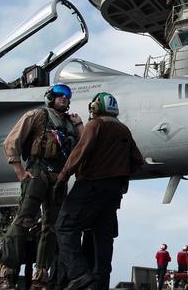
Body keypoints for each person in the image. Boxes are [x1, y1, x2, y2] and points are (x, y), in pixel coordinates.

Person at [55, 92, 144, 290]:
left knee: (65, 226)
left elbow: (79, 152)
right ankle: (100, 284)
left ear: (95, 107)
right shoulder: (124, 130)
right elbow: (138, 162)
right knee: (103, 238)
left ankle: (78, 274)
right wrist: (119, 174)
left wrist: (62, 177)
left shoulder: (95, 125)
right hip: (113, 193)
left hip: (90, 185)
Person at [0, 84, 84, 290]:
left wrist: (80, 124)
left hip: (58, 178)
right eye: (60, 95)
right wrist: (19, 171)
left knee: (51, 228)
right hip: (37, 173)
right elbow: (11, 142)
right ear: (50, 97)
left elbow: (84, 146)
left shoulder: (70, 124)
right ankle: (7, 274)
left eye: (67, 96)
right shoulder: (37, 115)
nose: (64, 98)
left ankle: (40, 278)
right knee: (23, 221)